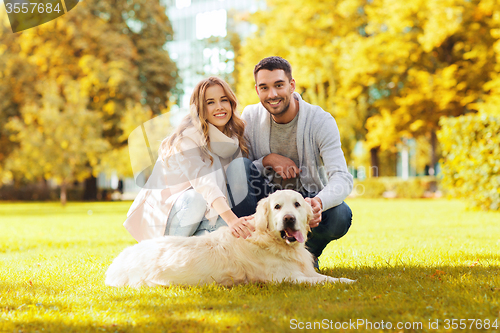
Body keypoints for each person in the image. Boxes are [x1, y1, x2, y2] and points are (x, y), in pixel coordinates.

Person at [241, 56, 353, 267]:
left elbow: (342, 177)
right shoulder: (250, 117)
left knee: (340, 215)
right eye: (264, 87)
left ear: (292, 85)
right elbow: (239, 171)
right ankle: (255, 254)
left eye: (279, 85)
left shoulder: (320, 121)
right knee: (239, 167)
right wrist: (268, 160)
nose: (272, 94)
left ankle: (306, 258)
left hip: (306, 201)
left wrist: (319, 202)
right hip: (266, 200)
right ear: (257, 90)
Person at [124, 77, 255, 242]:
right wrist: (231, 220)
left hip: (205, 214)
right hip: (168, 213)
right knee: (197, 199)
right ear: (200, 108)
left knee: (231, 237)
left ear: (231, 103)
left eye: (224, 100)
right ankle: (163, 254)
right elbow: (203, 183)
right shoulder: (186, 138)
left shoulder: (233, 139)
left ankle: (187, 254)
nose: (219, 107)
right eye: (210, 102)